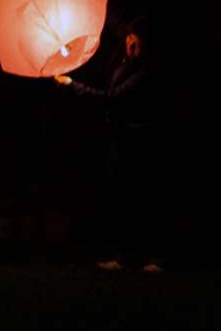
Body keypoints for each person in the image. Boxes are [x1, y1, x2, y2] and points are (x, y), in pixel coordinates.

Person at [55, 16, 165, 274]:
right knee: (121, 197)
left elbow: (113, 98)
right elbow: (113, 25)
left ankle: (155, 257)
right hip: (121, 140)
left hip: (141, 142)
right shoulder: (121, 63)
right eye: (129, 37)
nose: (130, 41)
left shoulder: (147, 71)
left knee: (143, 198)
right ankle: (125, 255)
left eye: (136, 38)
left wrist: (73, 86)